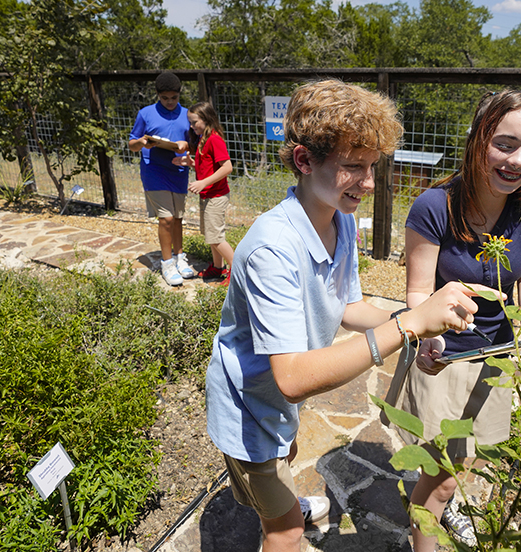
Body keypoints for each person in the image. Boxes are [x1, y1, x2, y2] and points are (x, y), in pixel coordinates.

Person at [205, 79, 490, 552]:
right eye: (353, 167)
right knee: (287, 531)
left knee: (288, 457)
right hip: (248, 408)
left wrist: (418, 315)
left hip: (276, 408)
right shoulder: (272, 248)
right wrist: (407, 326)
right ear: (303, 160)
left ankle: (282, 499)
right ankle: (283, 514)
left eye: (373, 166)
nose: (370, 183)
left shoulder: (339, 219)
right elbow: (293, 377)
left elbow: (346, 306)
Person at [399, 89, 521, 551]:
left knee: (466, 456)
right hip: (444, 354)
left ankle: (442, 506)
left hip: (498, 353)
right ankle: (424, 537)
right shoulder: (435, 205)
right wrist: (427, 339)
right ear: (478, 140)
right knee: (439, 476)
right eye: (505, 144)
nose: (519, 161)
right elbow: (417, 292)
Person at [128, 71, 196, 286]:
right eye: (164, 98)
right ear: (157, 95)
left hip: (178, 171)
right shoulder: (145, 113)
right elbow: (131, 144)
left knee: (177, 218)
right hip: (153, 171)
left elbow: (196, 143)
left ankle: (179, 257)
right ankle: (166, 263)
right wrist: (142, 143)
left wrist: (187, 147)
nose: (169, 102)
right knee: (165, 218)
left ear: (179, 95)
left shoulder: (187, 114)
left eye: (173, 98)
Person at [186, 100, 234, 285]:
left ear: (206, 119)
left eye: (194, 122)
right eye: (190, 122)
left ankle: (236, 269)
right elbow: (208, 165)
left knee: (216, 236)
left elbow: (227, 167)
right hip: (208, 195)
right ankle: (218, 266)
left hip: (216, 195)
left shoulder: (214, 139)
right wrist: (190, 164)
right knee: (211, 234)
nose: (191, 126)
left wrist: (203, 182)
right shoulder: (203, 139)